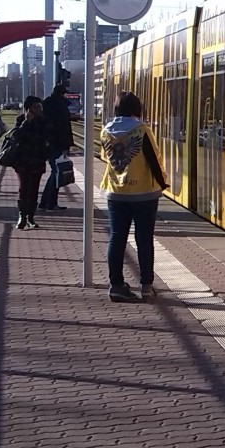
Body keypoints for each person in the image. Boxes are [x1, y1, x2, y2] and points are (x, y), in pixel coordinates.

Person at [99, 92, 168, 303]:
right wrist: (162, 182)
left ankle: (116, 285)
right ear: (137, 108)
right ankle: (146, 285)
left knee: (117, 237)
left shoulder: (105, 132)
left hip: (115, 192)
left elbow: (106, 158)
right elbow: (154, 158)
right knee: (144, 238)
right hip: (144, 193)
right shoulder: (142, 130)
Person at [11, 96, 50, 230]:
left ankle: (31, 218)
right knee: (24, 187)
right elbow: (17, 136)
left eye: (40, 106)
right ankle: (22, 216)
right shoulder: (21, 120)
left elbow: (48, 135)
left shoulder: (44, 120)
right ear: (29, 109)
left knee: (34, 188)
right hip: (23, 159)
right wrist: (26, 123)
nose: (39, 109)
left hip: (38, 158)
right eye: (36, 107)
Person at [40, 84, 74, 211]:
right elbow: (64, 128)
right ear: (63, 94)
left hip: (48, 143)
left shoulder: (46, 105)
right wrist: (66, 146)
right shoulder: (61, 107)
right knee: (57, 173)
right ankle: (50, 203)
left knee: (55, 172)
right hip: (59, 144)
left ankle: (45, 202)